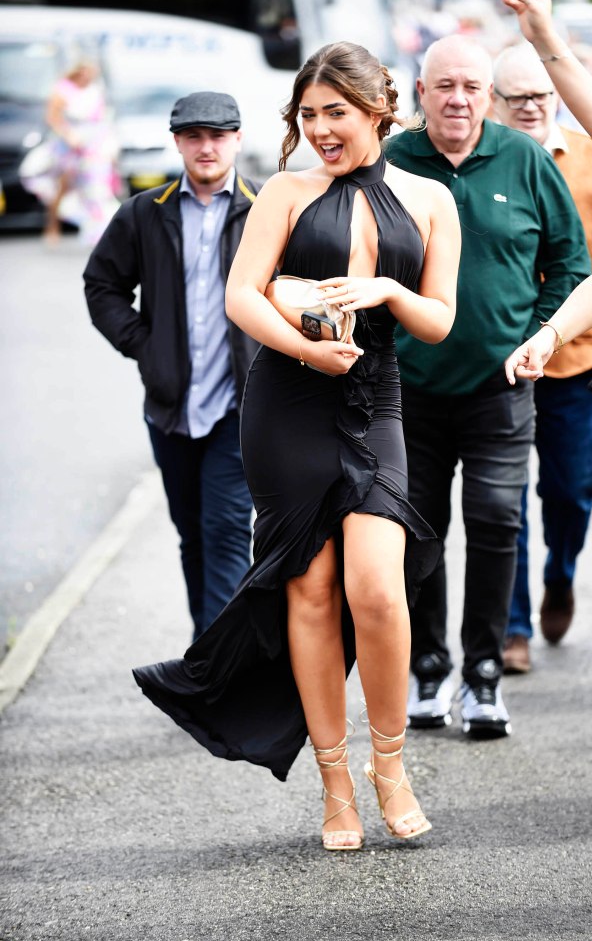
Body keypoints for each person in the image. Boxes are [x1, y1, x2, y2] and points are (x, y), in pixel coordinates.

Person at [132, 41, 461, 851]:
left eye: (334, 113)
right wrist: (307, 348)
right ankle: (336, 786)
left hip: (374, 399)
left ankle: (392, 767)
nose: (319, 129)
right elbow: (240, 293)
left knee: (378, 589)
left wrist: (388, 289)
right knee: (309, 592)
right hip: (286, 404)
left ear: (378, 110)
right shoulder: (282, 190)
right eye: (307, 115)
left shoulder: (428, 200)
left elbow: (440, 320)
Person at [384, 34, 591, 736]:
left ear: (487, 97)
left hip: (501, 385)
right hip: (409, 388)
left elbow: (570, 262)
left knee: (496, 521)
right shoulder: (389, 164)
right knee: (418, 531)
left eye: (471, 87)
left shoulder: (525, 159)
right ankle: (429, 665)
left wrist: (540, 334)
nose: (458, 99)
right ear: (421, 94)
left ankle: (482, 673)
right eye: (444, 86)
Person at [84, 92, 260, 640]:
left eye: (218, 135)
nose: (206, 147)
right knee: (192, 535)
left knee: (228, 531)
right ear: (178, 142)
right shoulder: (145, 212)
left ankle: (217, 676)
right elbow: (103, 285)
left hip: (240, 407)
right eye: (193, 137)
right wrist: (144, 345)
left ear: (237, 139)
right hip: (170, 408)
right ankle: (207, 649)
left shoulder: (263, 209)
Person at [492, 41, 592, 674]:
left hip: (580, 363)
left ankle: (561, 572)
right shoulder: (480, 164)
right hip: (499, 365)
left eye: (540, 94)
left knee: (574, 491)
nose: (529, 106)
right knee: (505, 499)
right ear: (495, 103)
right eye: (516, 96)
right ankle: (516, 627)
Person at [37, 60, 118, 245]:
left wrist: (108, 146)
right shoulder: (63, 90)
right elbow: (53, 117)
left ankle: (96, 229)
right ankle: (52, 226)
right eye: (86, 72)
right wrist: (69, 136)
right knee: (64, 185)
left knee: (96, 186)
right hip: (70, 145)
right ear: (78, 72)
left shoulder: (96, 90)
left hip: (94, 145)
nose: (88, 77)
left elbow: (103, 120)